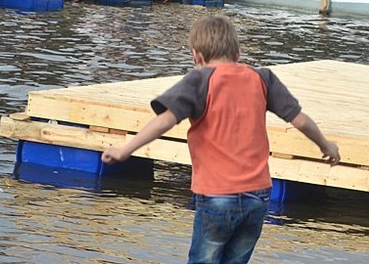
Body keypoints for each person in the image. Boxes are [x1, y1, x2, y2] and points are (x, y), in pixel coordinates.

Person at [101, 15, 339, 264]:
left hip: (217, 195)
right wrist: (326, 145)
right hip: (257, 195)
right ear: (238, 52)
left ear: (197, 56)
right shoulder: (263, 78)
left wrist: (125, 149)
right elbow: (300, 120)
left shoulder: (199, 80)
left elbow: (166, 120)